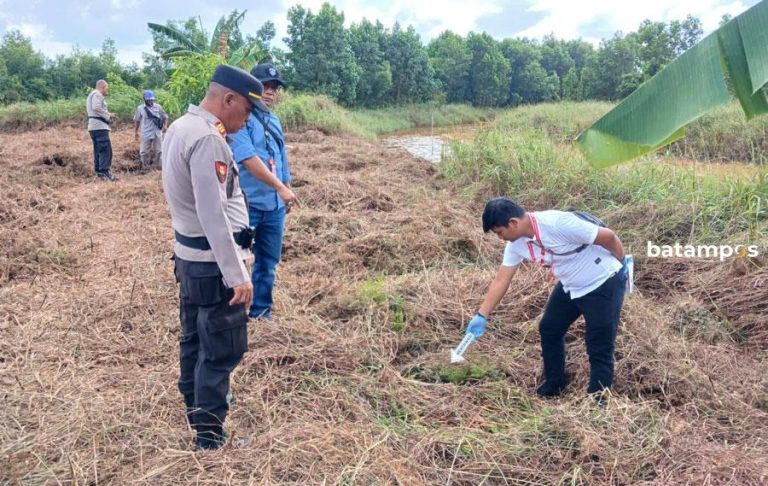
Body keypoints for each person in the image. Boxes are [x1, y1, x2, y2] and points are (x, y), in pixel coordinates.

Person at [162, 64, 269, 450]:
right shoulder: (208, 139)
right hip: (212, 266)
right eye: (247, 110)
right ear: (228, 99)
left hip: (191, 260)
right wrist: (237, 274)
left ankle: (198, 407)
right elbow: (214, 213)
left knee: (194, 338)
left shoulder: (180, 128)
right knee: (221, 347)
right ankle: (209, 434)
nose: (247, 119)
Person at [466, 197, 628, 399]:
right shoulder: (516, 244)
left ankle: (598, 399)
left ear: (513, 223)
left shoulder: (557, 223)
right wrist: (482, 314)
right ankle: (555, 383)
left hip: (602, 282)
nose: (501, 238)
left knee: (599, 344)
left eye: (500, 232)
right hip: (571, 285)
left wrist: (622, 265)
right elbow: (501, 279)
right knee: (549, 328)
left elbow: (608, 237)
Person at [229, 62, 300, 320]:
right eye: (265, 86)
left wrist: (287, 186)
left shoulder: (273, 119)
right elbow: (247, 157)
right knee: (238, 261)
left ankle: (261, 313)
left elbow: (281, 156)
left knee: (268, 263)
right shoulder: (242, 117)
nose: (270, 91)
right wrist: (280, 187)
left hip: (275, 206)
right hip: (248, 204)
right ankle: (234, 315)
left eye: (274, 87)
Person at [86, 79, 117, 181]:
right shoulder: (97, 94)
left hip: (93, 126)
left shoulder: (92, 95)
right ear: (103, 86)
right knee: (105, 150)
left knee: (98, 149)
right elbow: (96, 107)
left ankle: (99, 171)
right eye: (106, 88)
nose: (107, 90)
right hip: (99, 126)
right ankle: (105, 172)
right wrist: (109, 115)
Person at [133, 90, 168, 171]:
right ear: (145, 99)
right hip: (146, 133)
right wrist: (136, 132)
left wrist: (165, 126)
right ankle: (145, 167)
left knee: (159, 150)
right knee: (144, 151)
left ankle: (159, 167)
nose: (151, 101)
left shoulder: (158, 107)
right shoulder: (140, 108)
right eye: (149, 100)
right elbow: (137, 120)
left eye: (152, 100)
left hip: (157, 133)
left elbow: (165, 116)